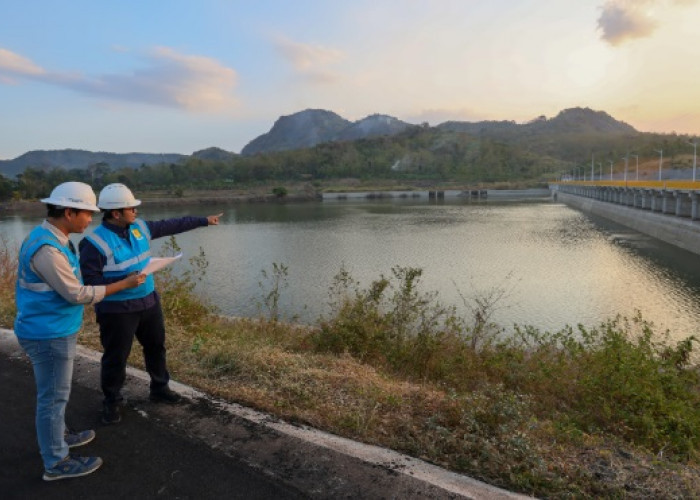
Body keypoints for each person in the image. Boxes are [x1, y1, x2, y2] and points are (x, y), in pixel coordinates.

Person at [15, 181, 145, 481]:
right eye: (87, 213)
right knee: (53, 398)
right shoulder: (48, 249)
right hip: (48, 333)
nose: (91, 219)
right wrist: (122, 285)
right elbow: (76, 294)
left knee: (54, 394)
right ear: (69, 212)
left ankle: (57, 437)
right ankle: (56, 462)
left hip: (53, 328)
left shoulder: (52, 237)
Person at [78, 183, 222, 424]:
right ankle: (111, 401)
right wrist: (124, 281)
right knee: (116, 357)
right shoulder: (93, 244)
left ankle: (160, 388)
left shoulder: (140, 228)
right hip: (117, 311)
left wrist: (203, 221)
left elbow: (171, 225)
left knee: (156, 347)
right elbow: (90, 282)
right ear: (116, 213)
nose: (136, 211)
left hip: (148, 303)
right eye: (131, 208)